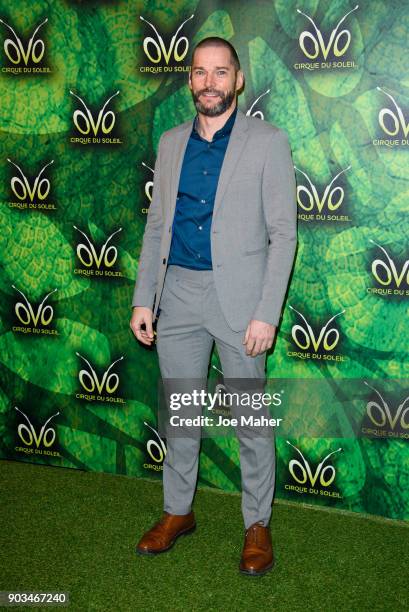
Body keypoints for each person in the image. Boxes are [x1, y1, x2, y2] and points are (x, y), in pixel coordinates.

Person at [130, 36, 297, 576]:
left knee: (251, 419)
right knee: (180, 415)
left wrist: (266, 312)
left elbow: (283, 234)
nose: (209, 82)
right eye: (200, 73)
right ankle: (178, 512)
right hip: (177, 293)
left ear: (238, 79)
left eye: (220, 72)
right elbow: (157, 225)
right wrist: (143, 300)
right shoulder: (172, 142)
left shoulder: (268, 142)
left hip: (241, 301)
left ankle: (257, 524)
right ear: (190, 81)